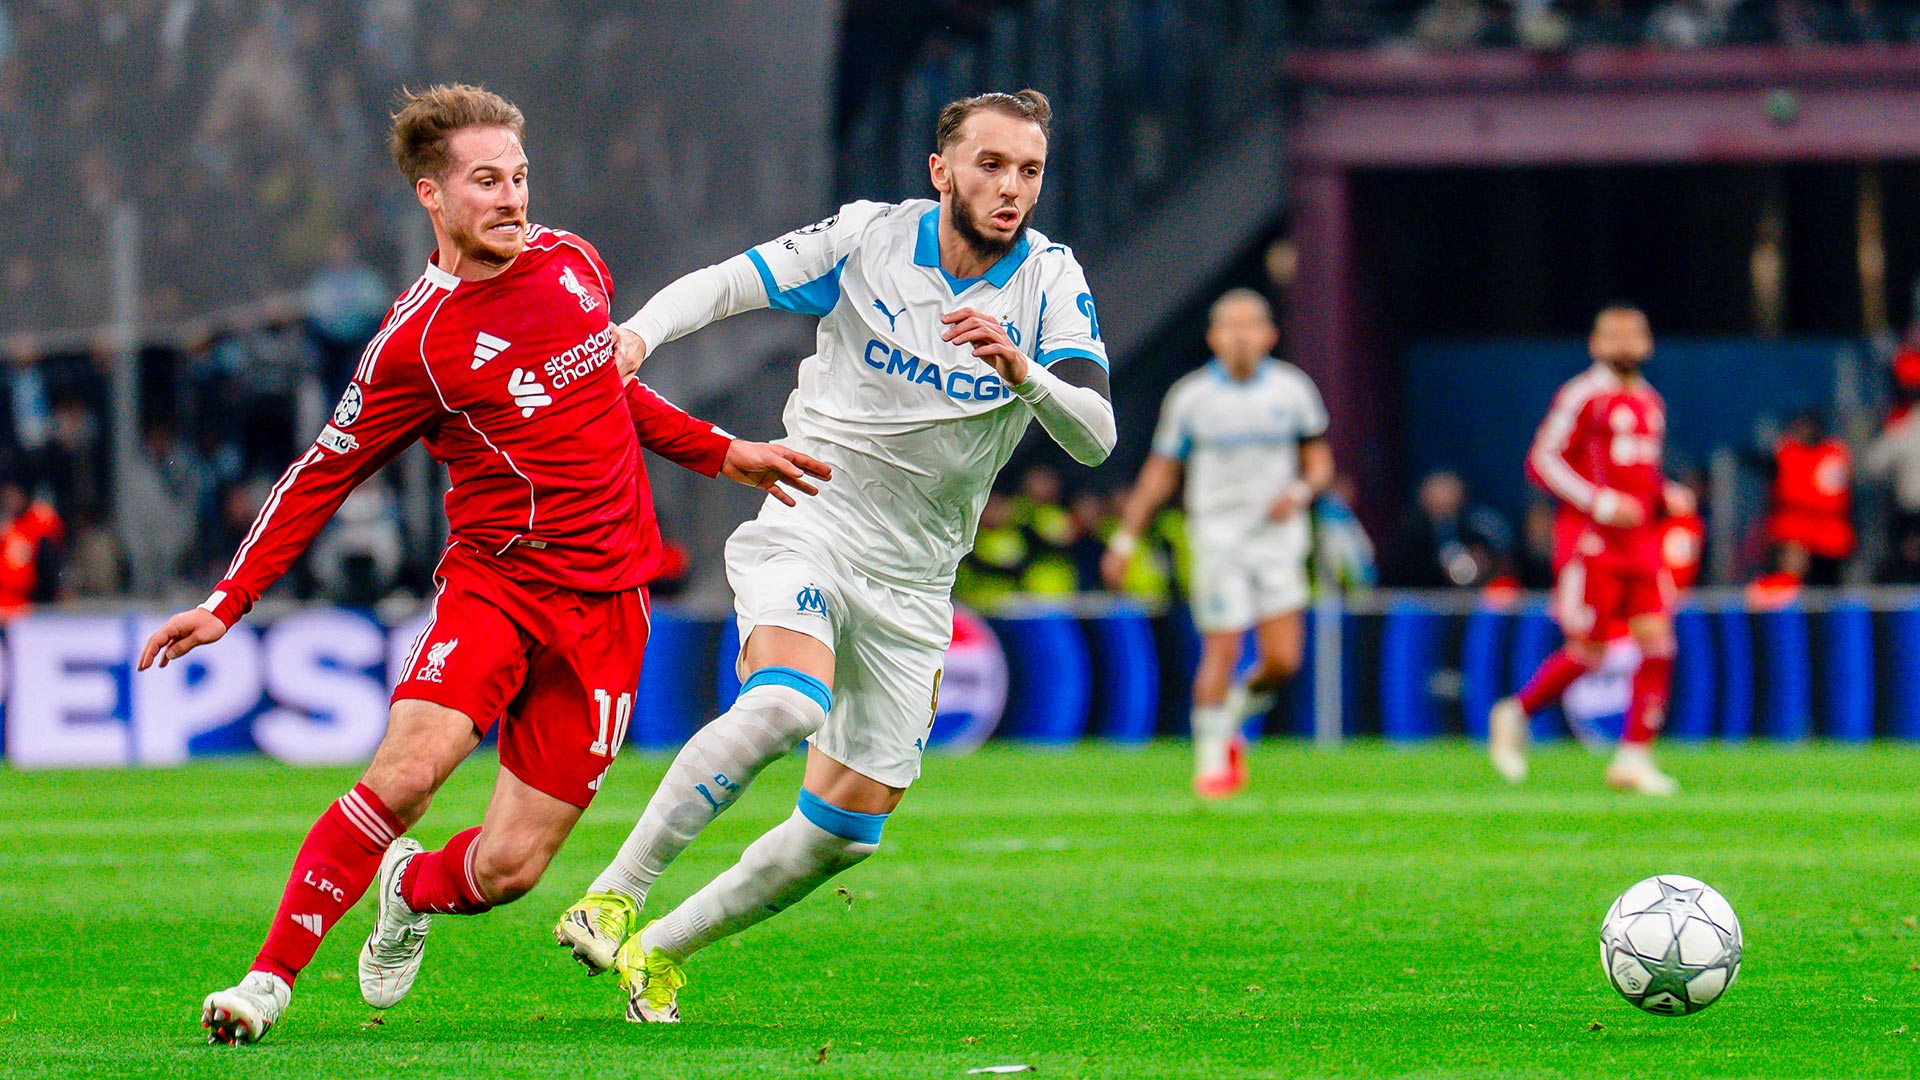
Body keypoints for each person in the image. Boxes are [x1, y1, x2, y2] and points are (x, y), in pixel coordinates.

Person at [135, 84, 826, 1046]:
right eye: (487, 181)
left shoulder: (574, 264)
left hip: (609, 606)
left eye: (520, 177)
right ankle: (265, 984)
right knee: (408, 774)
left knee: (508, 871)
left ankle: (409, 888)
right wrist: (229, 599)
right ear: (431, 194)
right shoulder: (414, 343)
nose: (512, 198)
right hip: (496, 588)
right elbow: (323, 470)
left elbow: (603, 389)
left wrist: (719, 451)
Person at [553, 89, 1115, 1023]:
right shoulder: (869, 239)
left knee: (845, 834)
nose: (1011, 187)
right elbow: (729, 283)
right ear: (941, 170)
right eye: (990, 165)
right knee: (785, 703)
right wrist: (639, 335)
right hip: (812, 518)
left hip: (917, 579)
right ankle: (613, 894)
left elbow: (1095, 436)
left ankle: (658, 951)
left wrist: (1025, 373)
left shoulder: (1051, 281)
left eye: (1029, 171)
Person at [1100, 289, 1332, 798]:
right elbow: (1161, 472)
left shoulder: (1293, 390)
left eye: (1251, 325)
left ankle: (1232, 718)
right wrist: (1125, 539)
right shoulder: (1192, 397)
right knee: (1222, 645)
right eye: (1231, 326)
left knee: (1283, 661)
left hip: (1277, 538)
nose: (1241, 336)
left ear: (1270, 334)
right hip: (1217, 534)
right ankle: (1209, 765)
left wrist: (1298, 492)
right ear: (1213, 337)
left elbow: (1319, 464)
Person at [1488, 303, 1692, 796]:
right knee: (1590, 652)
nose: (1625, 343)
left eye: (1633, 334)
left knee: (1659, 645)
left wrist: (1664, 493)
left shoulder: (1650, 401)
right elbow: (1542, 459)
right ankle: (1516, 712)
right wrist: (1598, 502)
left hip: (1639, 541)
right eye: (1613, 335)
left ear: (1648, 343)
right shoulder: (1583, 395)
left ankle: (1633, 758)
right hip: (1591, 542)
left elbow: (1637, 472)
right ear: (1595, 344)